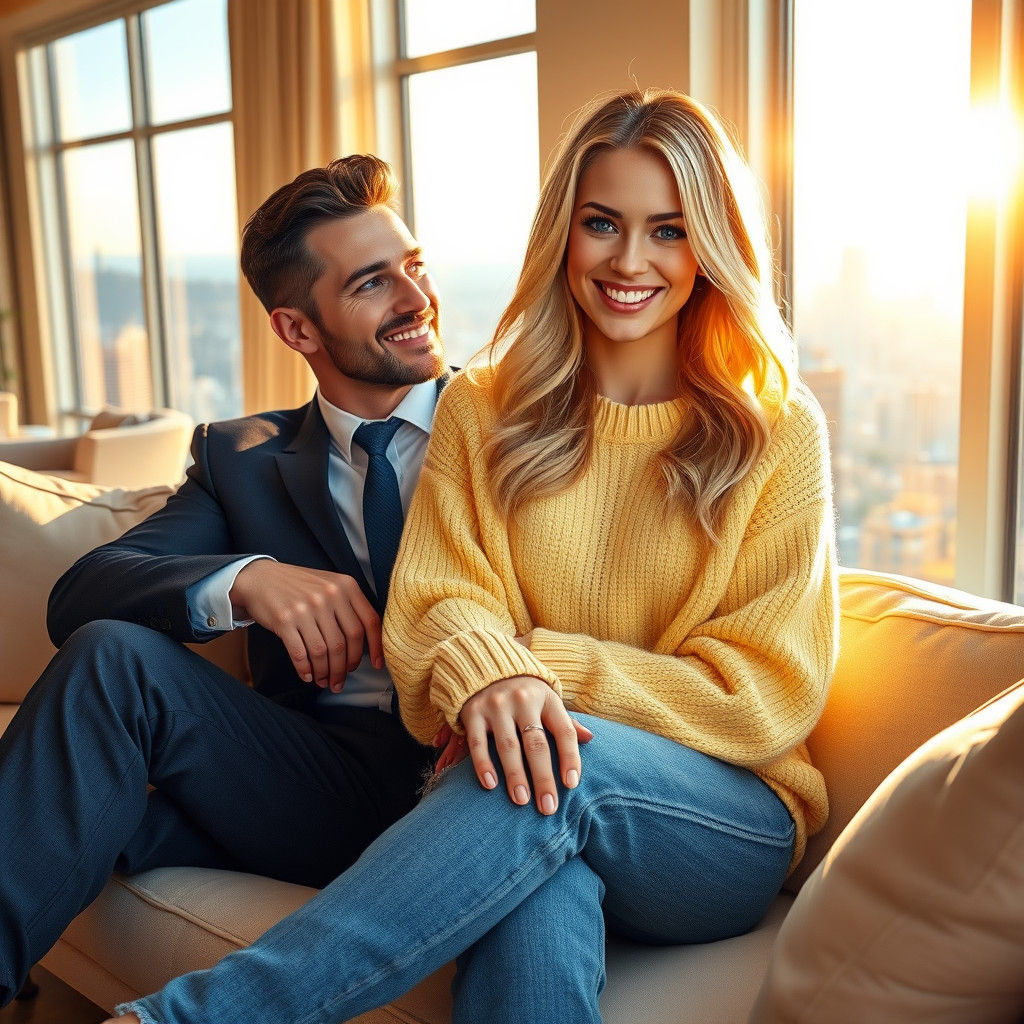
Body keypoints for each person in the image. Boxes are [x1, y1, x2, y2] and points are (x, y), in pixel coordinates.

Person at [105, 88, 837, 1024]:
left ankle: (201, 1018)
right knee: (532, 871)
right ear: (561, 236)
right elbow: (441, 604)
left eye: (670, 229)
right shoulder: (482, 408)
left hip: (719, 825)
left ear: (711, 246)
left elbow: (767, 688)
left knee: (553, 757)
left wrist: (533, 674)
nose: (629, 260)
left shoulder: (776, 432)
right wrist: (495, 679)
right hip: (521, 787)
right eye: (602, 223)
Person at [0, 153, 457, 1008]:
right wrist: (248, 580)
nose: (415, 299)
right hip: (314, 784)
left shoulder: (511, 427)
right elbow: (84, 593)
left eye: (414, 267)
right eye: (371, 284)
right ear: (297, 331)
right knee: (110, 658)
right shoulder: (240, 457)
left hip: (479, 791)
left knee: (69, 809)